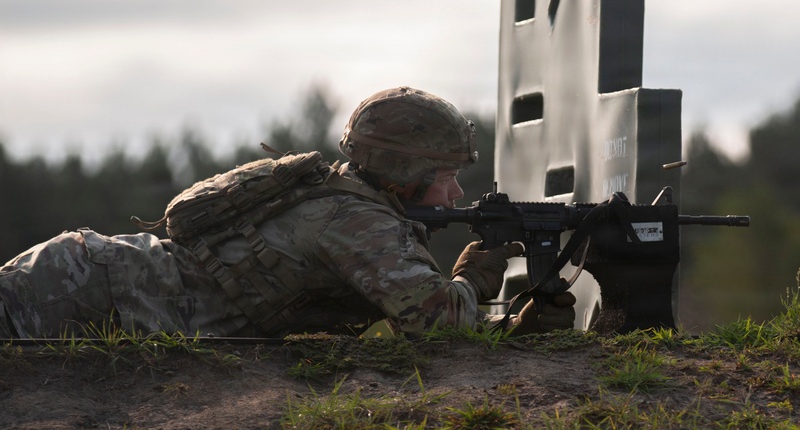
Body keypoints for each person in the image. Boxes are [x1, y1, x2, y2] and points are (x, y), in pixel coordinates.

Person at [0, 86, 576, 340]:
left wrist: (516, 324)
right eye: (448, 176)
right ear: (406, 171)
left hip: (95, 282)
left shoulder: (354, 203)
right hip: (83, 290)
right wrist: (473, 279)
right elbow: (439, 330)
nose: (455, 196)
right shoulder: (357, 221)